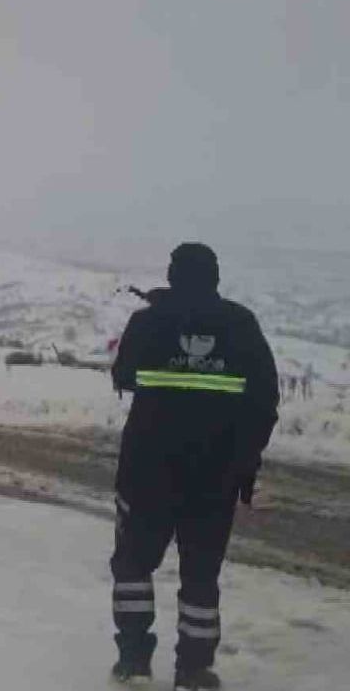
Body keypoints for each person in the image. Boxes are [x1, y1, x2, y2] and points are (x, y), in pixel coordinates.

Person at [108, 243, 279, 690]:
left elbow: (123, 376)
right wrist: (246, 463)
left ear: (171, 275)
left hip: (147, 471)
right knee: (201, 575)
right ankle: (194, 669)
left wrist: (164, 319)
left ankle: (132, 662)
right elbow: (264, 402)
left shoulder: (147, 322)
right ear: (215, 278)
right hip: (214, 476)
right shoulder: (241, 324)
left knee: (133, 565)